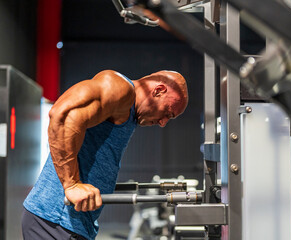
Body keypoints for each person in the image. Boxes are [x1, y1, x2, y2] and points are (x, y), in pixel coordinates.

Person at [22, 70, 188, 240]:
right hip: (55, 219)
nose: (163, 123)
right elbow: (64, 115)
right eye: (167, 113)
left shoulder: (128, 110)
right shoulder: (121, 89)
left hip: (72, 223)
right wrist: (71, 184)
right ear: (158, 90)